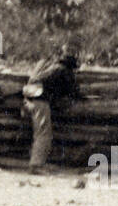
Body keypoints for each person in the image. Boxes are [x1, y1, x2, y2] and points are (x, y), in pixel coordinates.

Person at [21, 45, 80, 174]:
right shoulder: (63, 70)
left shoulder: (49, 67)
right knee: (43, 134)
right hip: (39, 101)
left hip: (28, 99)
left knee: (37, 133)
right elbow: (75, 91)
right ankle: (36, 166)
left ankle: (35, 163)